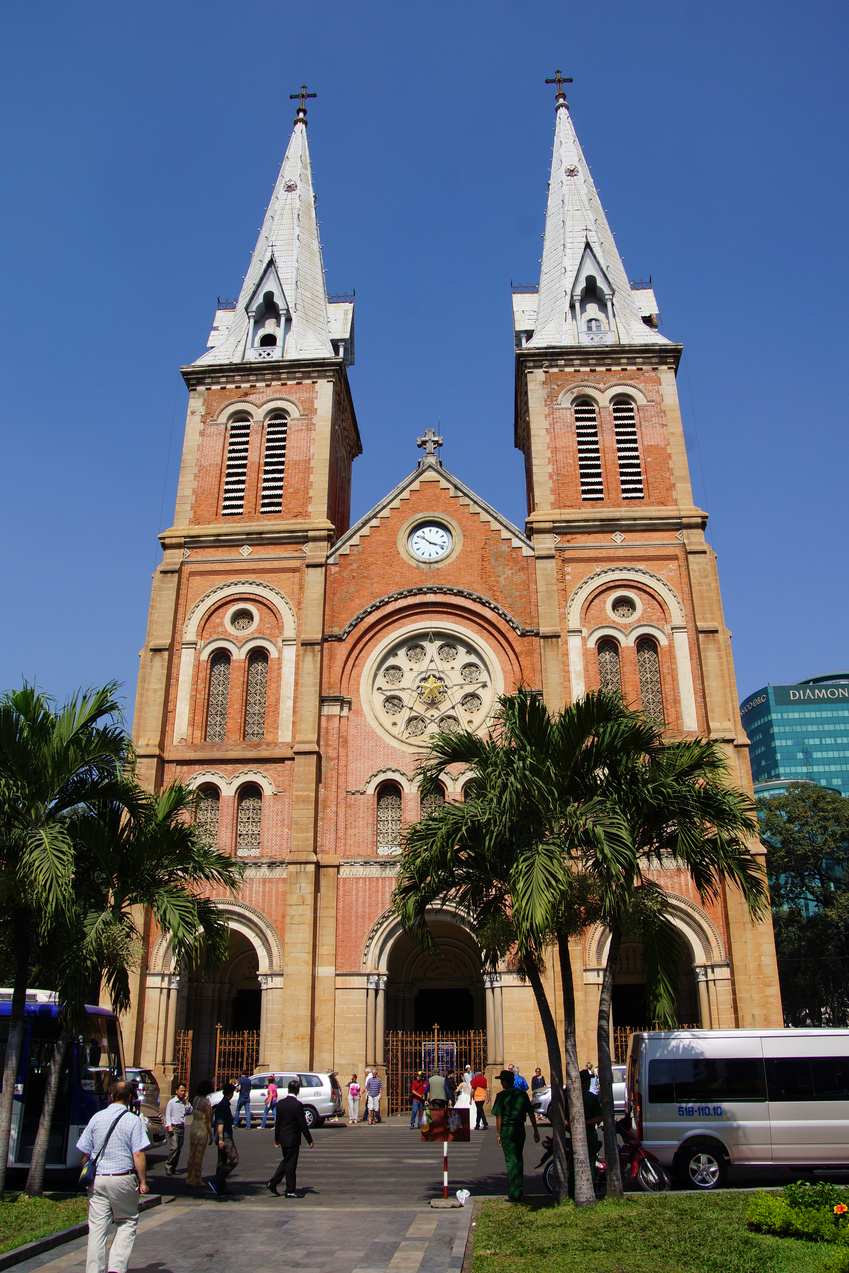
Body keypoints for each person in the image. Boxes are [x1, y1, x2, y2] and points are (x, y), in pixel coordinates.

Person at [77, 1078, 150, 1273]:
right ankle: (116, 1269)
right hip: (122, 1178)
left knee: (97, 1229)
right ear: (129, 1098)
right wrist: (142, 1181)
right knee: (126, 1222)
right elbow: (138, 1153)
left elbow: (85, 1153)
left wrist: (87, 1176)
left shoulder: (96, 1117)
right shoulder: (133, 1120)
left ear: (111, 1097)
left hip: (98, 1178)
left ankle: (94, 1270)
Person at [492, 1069, 539, 1203]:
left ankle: (515, 1192)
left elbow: (499, 1116)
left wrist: (499, 1134)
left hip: (508, 1130)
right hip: (520, 1128)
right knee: (519, 1158)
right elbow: (531, 1113)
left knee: (511, 1160)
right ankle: (519, 1187)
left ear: (505, 1082)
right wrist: (535, 1130)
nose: (501, 1083)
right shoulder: (522, 1095)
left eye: (501, 1081)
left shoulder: (501, 1095)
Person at [266, 1079, 314, 1197]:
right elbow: (303, 1124)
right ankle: (290, 1190)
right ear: (298, 1091)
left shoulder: (281, 1103)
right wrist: (309, 1140)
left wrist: (276, 1139)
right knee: (291, 1165)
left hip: (283, 1137)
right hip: (293, 1139)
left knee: (287, 1161)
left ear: (288, 1089)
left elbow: (278, 1123)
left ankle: (273, 1182)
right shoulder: (297, 1105)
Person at [208, 1082, 238, 1196]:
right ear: (231, 1093)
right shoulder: (223, 1105)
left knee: (222, 1162)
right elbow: (220, 1124)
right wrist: (220, 1139)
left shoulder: (223, 1104)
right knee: (234, 1160)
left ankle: (221, 1188)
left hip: (223, 1136)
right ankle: (216, 1180)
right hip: (225, 1137)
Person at [186, 1080, 214, 1187]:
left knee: (192, 1153)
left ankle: (190, 1177)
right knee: (199, 1154)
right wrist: (211, 1134)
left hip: (194, 1127)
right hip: (202, 1129)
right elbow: (207, 1120)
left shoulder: (195, 1099)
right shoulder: (206, 1103)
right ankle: (197, 1179)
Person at [164, 1082, 192, 1176]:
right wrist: (169, 1126)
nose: (183, 1093)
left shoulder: (184, 1102)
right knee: (174, 1147)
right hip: (174, 1127)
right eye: (181, 1091)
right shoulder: (171, 1102)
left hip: (181, 1127)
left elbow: (190, 1111)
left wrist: (187, 1101)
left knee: (179, 1149)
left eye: (184, 1091)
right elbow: (167, 1115)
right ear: (176, 1091)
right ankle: (168, 1165)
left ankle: (173, 1166)